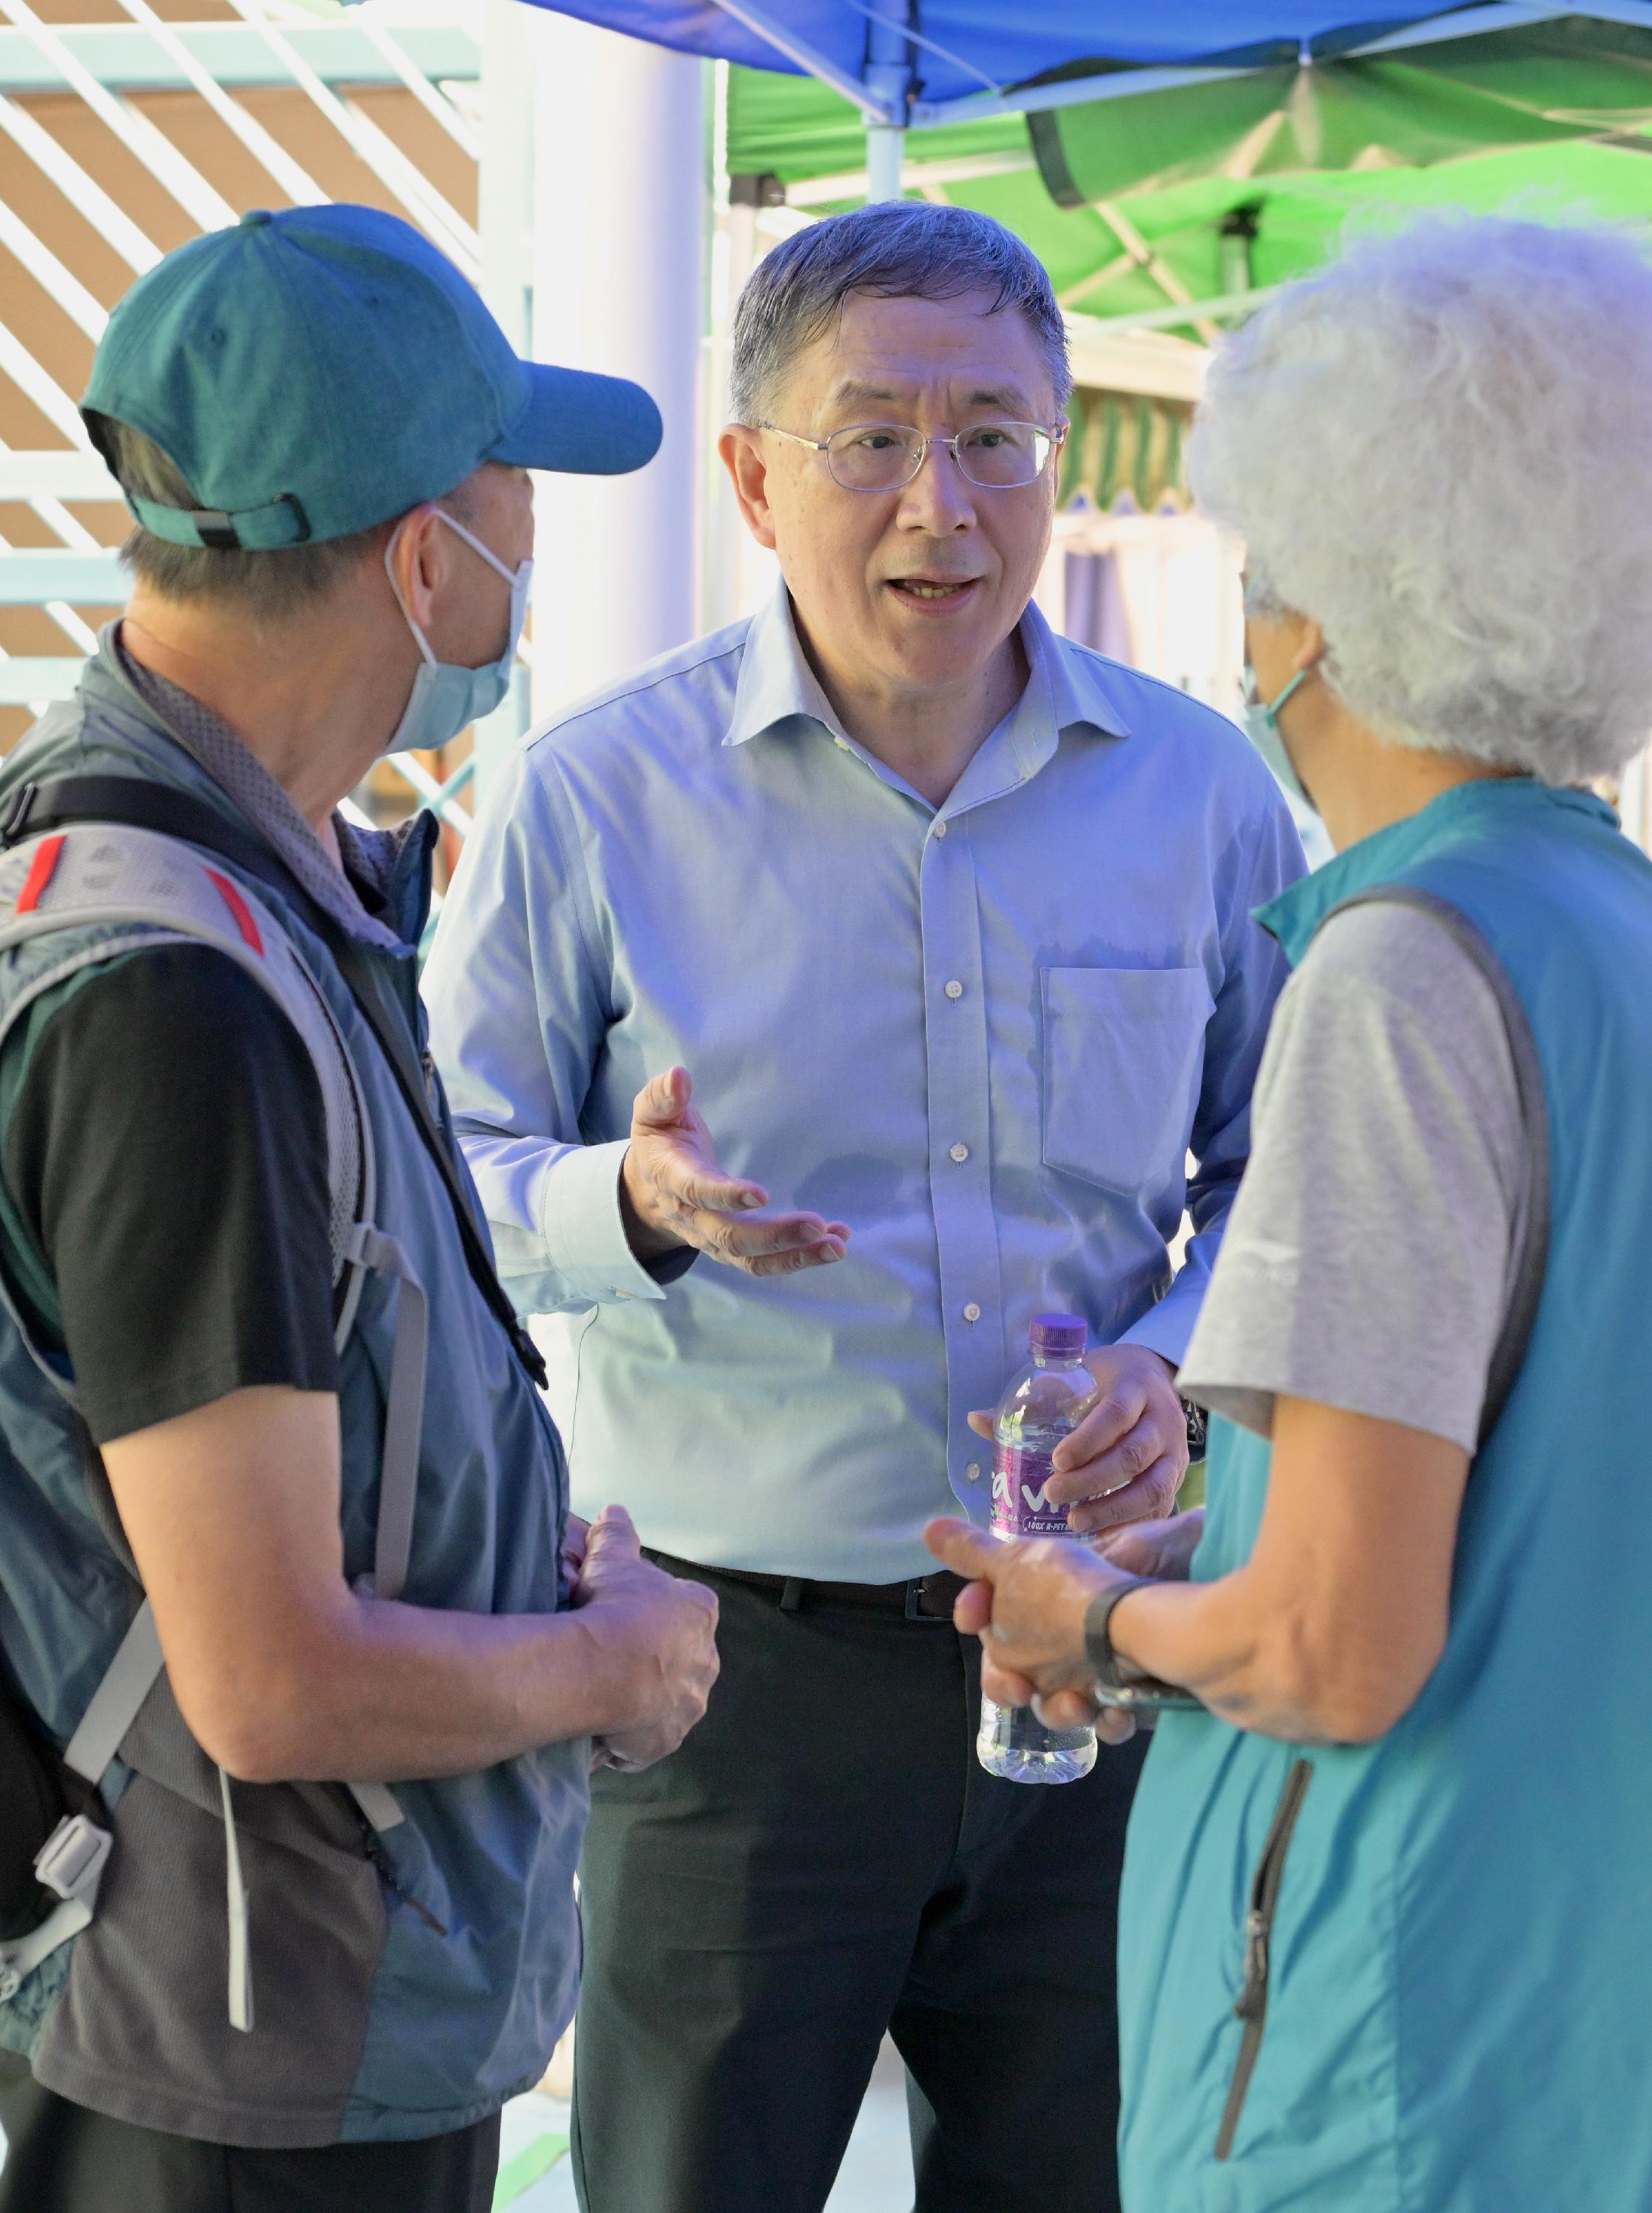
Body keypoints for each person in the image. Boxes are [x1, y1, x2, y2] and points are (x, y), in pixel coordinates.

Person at [930, 214, 1652, 2212]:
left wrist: (1083, 1617)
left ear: (1334, 606)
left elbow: (1336, 1648)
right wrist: (1226, 1537)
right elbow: (1589, 1497)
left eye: (1264, 565)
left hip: (1410, 2061)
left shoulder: (1401, 971)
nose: (1248, 622)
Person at [426, 202, 1302, 2213]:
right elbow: (437, 1174)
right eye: (875, 437)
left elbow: (1287, 1170)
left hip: (1102, 1660)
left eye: (997, 434)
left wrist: (1174, 1368)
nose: (945, 502)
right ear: (752, 474)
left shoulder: (1205, 792)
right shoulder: (596, 799)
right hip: (734, 1686)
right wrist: (622, 1206)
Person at [0, 206, 720, 2211]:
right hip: (255, 2057)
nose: (531, 547)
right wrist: (620, 1667)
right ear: (429, 555)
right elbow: (269, 1679)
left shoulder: (124, 852)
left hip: (238, 2000)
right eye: (515, 492)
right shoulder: (177, 994)